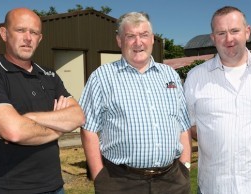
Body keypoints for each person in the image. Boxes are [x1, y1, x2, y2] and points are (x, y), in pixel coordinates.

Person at [79, 12, 191, 194]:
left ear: (152, 39)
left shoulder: (170, 75)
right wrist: (99, 176)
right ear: (119, 40)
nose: (138, 42)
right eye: (130, 36)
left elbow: (183, 124)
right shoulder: (102, 77)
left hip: (172, 181)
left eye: (144, 35)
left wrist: (185, 166)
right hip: (121, 182)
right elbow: (88, 128)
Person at [0, 8, 85, 194]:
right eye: (20, 30)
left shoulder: (49, 75)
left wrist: (28, 118)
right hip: (10, 189)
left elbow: (78, 116)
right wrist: (59, 127)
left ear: (40, 38)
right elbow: (14, 132)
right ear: (4, 34)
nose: (28, 38)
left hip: (56, 188)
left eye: (33, 32)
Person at [184, 6, 251, 194]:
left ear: (247, 32)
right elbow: (190, 127)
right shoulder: (195, 77)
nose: (229, 39)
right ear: (213, 38)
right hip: (213, 186)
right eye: (221, 33)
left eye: (235, 31)